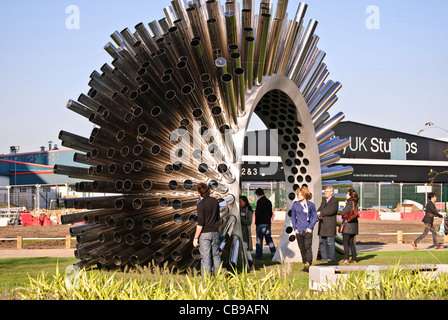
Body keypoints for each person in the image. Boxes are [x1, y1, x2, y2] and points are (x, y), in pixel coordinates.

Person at [193, 182, 222, 275]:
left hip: (205, 234)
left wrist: (196, 237)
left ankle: (206, 279)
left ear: (199, 193)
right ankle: (219, 277)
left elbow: (200, 223)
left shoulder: (200, 205)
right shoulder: (215, 201)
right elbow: (218, 217)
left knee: (206, 257)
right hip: (215, 232)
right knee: (216, 255)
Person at [291, 187, 318, 272]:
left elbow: (314, 217)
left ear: (305, 195)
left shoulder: (311, 205)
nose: (298, 196)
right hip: (299, 230)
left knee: (307, 247)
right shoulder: (295, 205)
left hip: (307, 229)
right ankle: (304, 264)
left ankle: (309, 264)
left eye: (300, 194)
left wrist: (310, 227)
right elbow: (293, 217)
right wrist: (294, 228)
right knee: (302, 248)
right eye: (297, 195)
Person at [317, 186, 339, 262]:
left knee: (330, 243)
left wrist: (321, 213)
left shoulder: (334, 201)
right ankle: (324, 258)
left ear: (331, 192)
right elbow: (319, 209)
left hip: (329, 225)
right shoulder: (324, 201)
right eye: (325, 191)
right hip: (322, 226)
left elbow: (332, 211)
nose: (325, 193)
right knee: (322, 242)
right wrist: (318, 213)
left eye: (327, 191)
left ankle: (331, 258)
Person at [254, 188, 276, 260]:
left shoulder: (259, 201)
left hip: (261, 223)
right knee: (269, 239)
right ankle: (274, 253)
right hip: (267, 223)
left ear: (257, 195)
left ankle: (258, 256)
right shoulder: (268, 201)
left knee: (259, 240)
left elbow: (258, 213)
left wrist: (256, 222)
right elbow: (270, 213)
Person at [340, 188, 359, 264]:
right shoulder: (355, 203)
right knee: (351, 242)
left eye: (347, 194)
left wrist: (345, 205)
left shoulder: (350, 203)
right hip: (354, 225)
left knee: (345, 242)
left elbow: (343, 213)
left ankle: (346, 259)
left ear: (350, 195)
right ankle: (354, 258)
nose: (346, 195)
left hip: (348, 225)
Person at [239, 195, 254, 267]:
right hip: (239, 232)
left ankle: (250, 264)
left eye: (240, 202)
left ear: (245, 202)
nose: (239, 203)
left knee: (246, 249)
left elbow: (249, 221)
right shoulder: (239, 209)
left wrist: (239, 219)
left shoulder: (249, 210)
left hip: (245, 233)